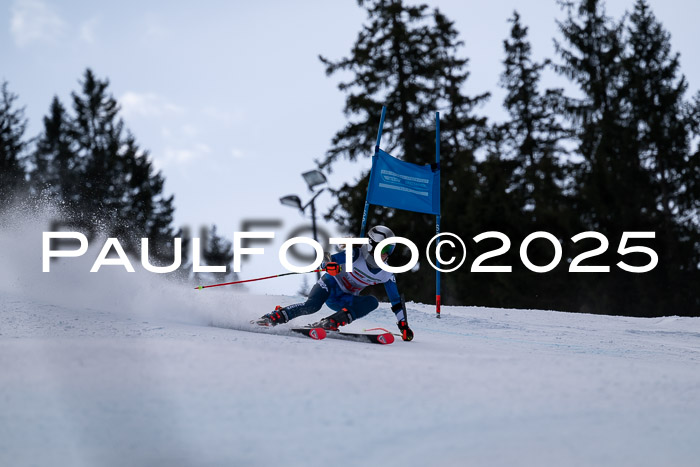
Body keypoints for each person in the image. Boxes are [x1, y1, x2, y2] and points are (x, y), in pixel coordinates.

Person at [254, 225, 414, 341]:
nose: (386, 255)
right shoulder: (354, 255)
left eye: (389, 251)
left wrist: (403, 325)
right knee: (312, 306)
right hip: (329, 285)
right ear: (372, 246)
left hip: (344, 299)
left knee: (372, 302)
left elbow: (395, 301)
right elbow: (325, 259)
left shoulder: (386, 273)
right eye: (384, 250)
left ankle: (330, 322)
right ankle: (274, 317)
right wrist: (328, 265)